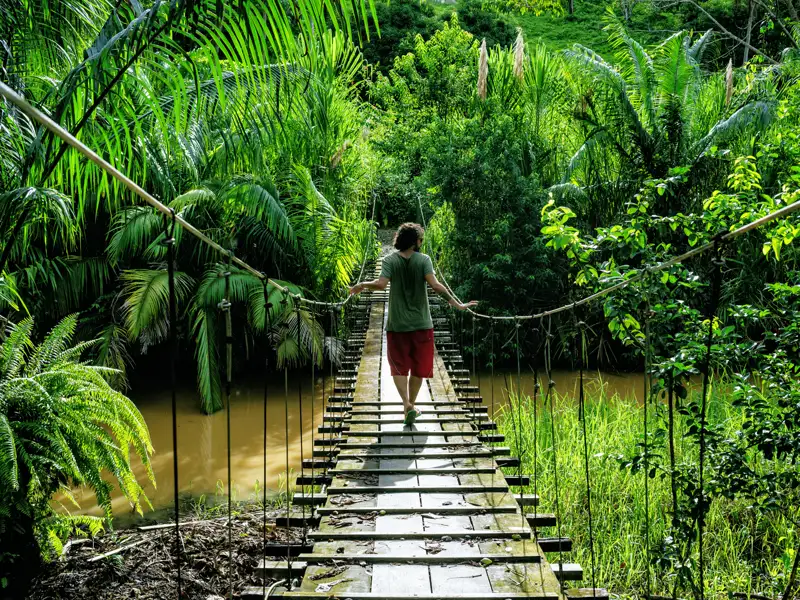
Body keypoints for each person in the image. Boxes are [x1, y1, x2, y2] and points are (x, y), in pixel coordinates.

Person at [349, 223, 477, 424]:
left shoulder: (390, 260)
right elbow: (435, 285)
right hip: (422, 324)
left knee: (399, 366)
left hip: (397, 324)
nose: (421, 242)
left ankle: (406, 404)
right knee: (419, 367)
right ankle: (412, 405)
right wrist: (456, 303)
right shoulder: (424, 260)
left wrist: (362, 285)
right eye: (420, 239)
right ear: (416, 241)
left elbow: (381, 284)